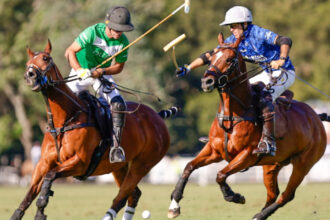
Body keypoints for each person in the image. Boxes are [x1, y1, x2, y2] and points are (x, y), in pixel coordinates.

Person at [175, 6, 295, 156]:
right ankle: (219, 133)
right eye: (230, 27)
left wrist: (281, 59)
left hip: (283, 71)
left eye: (233, 26)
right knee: (239, 92)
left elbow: (285, 40)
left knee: (264, 98)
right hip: (266, 73)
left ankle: (269, 142)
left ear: (245, 24)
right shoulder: (233, 41)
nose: (231, 29)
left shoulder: (258, 33)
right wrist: (188, 68)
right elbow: (210, 55)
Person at [65, 6, 134, 163]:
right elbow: (69, 51)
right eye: (116, 29)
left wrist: (102, 71)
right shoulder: (92, 32)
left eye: (122, 30)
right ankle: (57, 137)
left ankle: (116, 148)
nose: (119, 33)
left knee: (118, 104)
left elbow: (119, 67)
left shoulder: (123, 42)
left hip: (101, 75)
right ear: (108, 24)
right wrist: (80, 70)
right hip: (79, 73)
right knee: (64, 104)